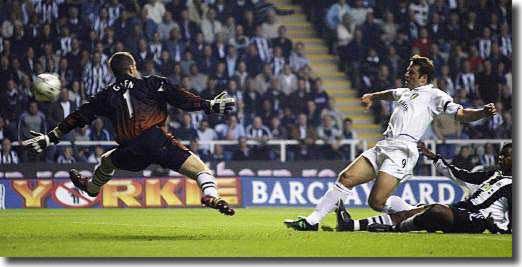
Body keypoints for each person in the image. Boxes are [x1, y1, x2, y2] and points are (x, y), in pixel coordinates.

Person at [284, 55, 497, 231]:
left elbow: (460, 114)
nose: (406, 74)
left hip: (403, 150)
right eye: (407, 71)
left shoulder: (434, 95)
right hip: (384, 144)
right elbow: (389, 94)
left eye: (411, 73)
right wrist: (371, 96)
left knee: (376, 202)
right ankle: (312, 221)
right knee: (346, 177)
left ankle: (420, 213)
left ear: (423, 78)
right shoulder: (405, 92)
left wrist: (482, 113)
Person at [22, 52, 236, 216]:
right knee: (201, 170)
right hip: (156, 140)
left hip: (130, 149)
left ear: (113, 73)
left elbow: (76, 117)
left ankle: (92, 187)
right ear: (133, 67)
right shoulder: (153, 83)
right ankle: (210, 196)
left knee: (107, 161)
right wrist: (209, 104)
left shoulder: (105, 95)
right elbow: (181, 98)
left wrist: (49, 137)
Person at [336, 142, 512, 235]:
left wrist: (498, 229)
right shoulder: (493, 175)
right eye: (501, 154)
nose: (500, 157)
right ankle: (351, 225)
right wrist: (435, 158)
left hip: (478, 221)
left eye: (506, 155)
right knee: (416, 211)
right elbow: (460, 175)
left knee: (435, 210)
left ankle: (394, 229)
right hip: (462, 210)